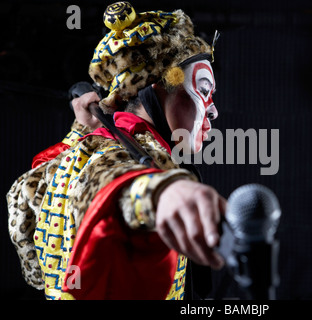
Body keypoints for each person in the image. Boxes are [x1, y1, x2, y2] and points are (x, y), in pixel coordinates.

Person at [6, 1, 225, 300]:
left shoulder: (75, 155)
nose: (213, 110)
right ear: (154, 89)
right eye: (202, 88)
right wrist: (160, 193)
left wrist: (78, 132)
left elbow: (24, 206)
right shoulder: (125, 158)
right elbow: (112, 179)